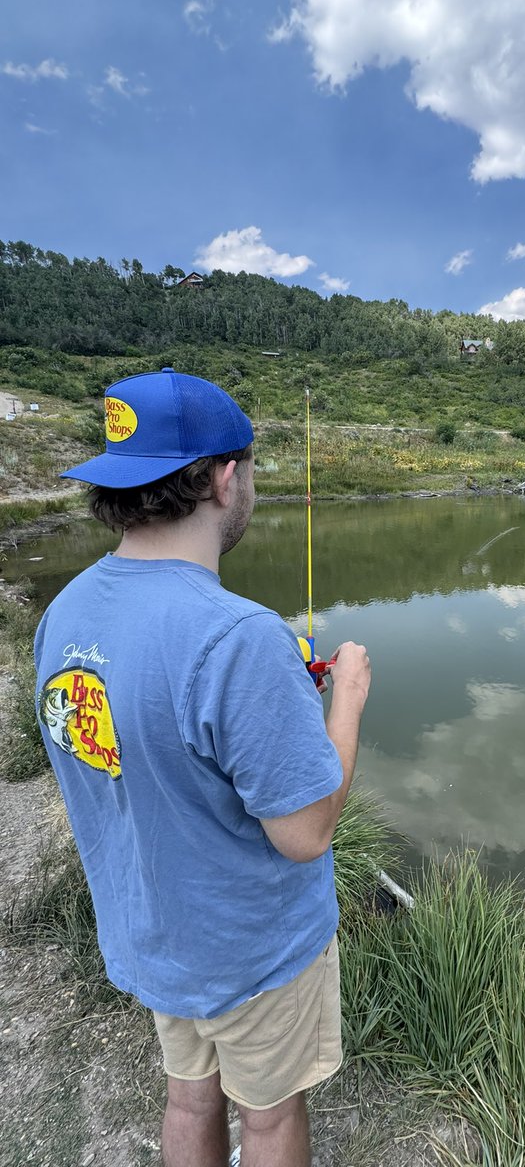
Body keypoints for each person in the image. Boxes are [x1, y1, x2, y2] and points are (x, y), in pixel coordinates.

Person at [33, 367, 371, 1167]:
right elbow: (308, 831)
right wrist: (345, 697)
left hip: (153, 934)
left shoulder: (63, 613)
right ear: (224, 477)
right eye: (247, 469)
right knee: (269, 1117)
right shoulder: (240, 638)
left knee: (188, 1095)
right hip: (253, 950)